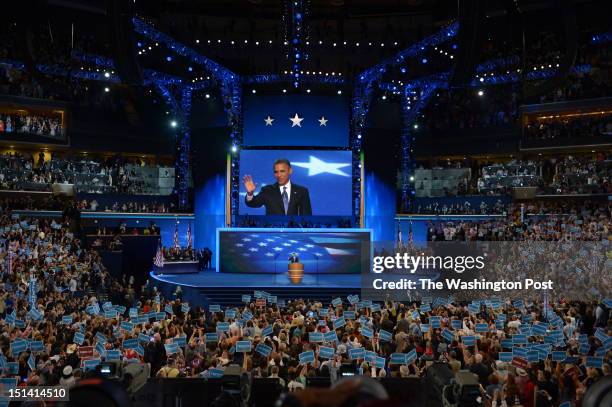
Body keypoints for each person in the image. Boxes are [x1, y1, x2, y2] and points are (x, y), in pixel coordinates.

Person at [243, 159, 312, 216]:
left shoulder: (302, 191)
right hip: (272, 231)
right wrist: (250, 194)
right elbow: (253, 203)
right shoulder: (267, 190)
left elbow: (307, 216)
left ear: (290, 171)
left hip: (293, 231)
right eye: (276, 172)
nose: (279, 175)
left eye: (282, 171)